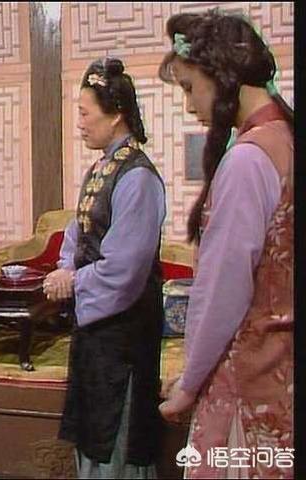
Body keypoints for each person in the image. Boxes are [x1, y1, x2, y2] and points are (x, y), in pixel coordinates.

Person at [157, 10, 294, 479]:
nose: (189, 105)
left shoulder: (248, 161)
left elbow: (222, 291)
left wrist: (189, 383)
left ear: (221, 76)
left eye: (190, 87)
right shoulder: (286, 139)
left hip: (246, 377)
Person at [43, 57, 166, 478]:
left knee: (118, 436)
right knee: (93, 432)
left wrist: (74, 280)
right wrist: (65, 268)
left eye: (84, 113)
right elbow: (76, 233)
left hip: (125, 331)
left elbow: (125, 268)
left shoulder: (138, 177)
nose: (79, 123)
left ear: (115, 114)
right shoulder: (100, 169)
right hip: (96, 328)